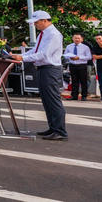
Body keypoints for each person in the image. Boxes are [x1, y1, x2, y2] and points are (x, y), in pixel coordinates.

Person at [11, 10, 67, 140]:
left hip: (50, 69)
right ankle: (53, 128)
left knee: (53, 101)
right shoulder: (44, 34)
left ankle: (60, 131)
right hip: (43, 69)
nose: (35, 25)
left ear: (44, 20)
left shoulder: (53, 34)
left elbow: (44, 55)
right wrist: (20, 56)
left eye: (36, 22)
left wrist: (22, 58)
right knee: (47, 100)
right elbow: (35, 51)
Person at [64, 34, 92, 101]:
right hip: (72, 65)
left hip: (82, 65)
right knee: (74, 81)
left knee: (83, 81)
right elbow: (65, 55)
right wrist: (70, 57)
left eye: (78, 38)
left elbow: (89, 57)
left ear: (81, 39)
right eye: (75, 38)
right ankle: (74, 96)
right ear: (73, 39)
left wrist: (79, 57)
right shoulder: (69, 46)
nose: (77, 39)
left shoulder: (85, 47)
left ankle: (84, 96)